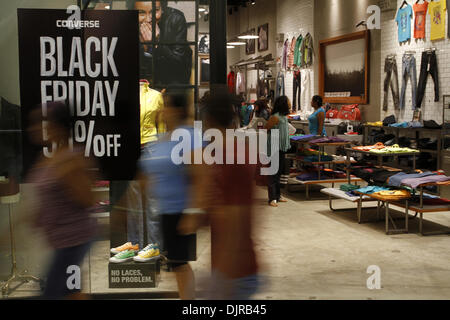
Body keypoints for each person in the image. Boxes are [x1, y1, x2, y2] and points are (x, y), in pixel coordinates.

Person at [178, 87, 260, 300]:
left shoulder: (231, 158)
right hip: (232, 269)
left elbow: (235, 219)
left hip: (235, 273)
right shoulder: (223, 155)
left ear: (207, 120)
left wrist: (222, 280)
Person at [27, 102, 97, 299]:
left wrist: (69, 176)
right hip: (60, 242)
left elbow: (88, 199)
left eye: (41, 122)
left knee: (55, 293)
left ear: (57, 126)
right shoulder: (48, 157)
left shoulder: (71, 159)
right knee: (71, 292)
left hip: (73, 242)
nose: (34, 128)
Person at [139, 90, 197, 300]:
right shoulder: (163, 138)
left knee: (179, 264)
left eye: (166, 106)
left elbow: (199, 176)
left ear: (177, 110)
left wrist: (192, 212)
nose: (162, 110)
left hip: (180, 211)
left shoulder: (188, 136)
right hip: (164, 211)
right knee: (176, 263)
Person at [133, 0, 193, 85]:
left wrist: (158, 41)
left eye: (155, 11)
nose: (148, 19)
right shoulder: (129, 23)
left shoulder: (175, 19)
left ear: (162, 9)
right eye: (141, 13)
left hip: (171, 82)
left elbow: (179, 64)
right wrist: (143, 47)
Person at [265, 96, 292, 207]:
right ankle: (272, 198)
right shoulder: (275, 117)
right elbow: (266, 128)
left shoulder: (284, 117)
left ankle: (278, 195)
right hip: (274, 147)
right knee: (273, 173)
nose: (290, 103)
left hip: (282, 148)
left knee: (279, 172)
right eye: (288, 101)